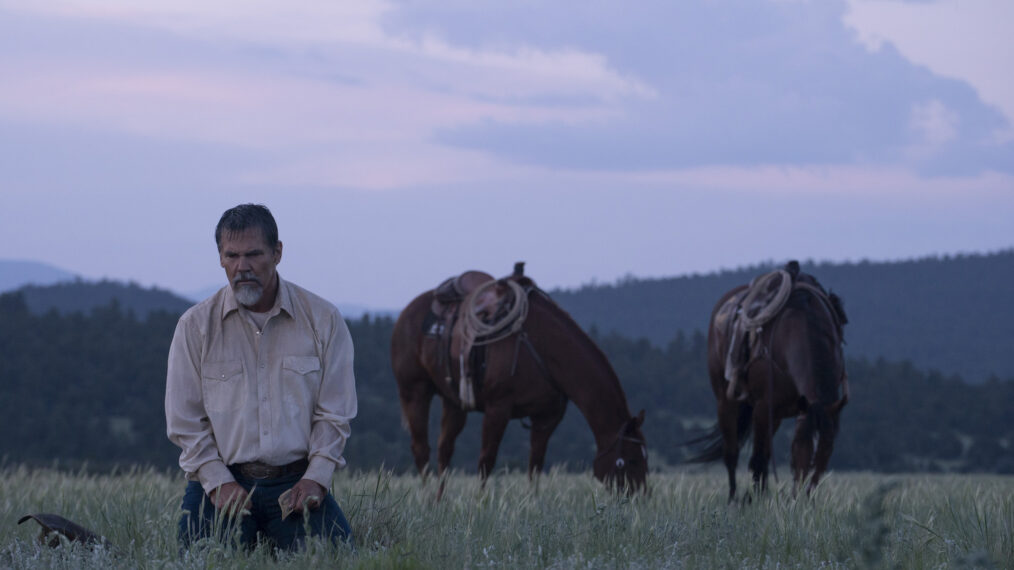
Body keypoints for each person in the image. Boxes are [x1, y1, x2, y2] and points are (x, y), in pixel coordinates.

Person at [165, 203, 357, 551]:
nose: (242, 267)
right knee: (200, 559)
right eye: (232, 255)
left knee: (337, 558)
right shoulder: (195, 327)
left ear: (277, 253)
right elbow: (185, 422)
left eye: (254, 254)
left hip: (296, 481)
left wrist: (317, 478)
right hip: (222, 482)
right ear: (221, 258)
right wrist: (217, 481)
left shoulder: (323, 320)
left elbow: (335, 413)